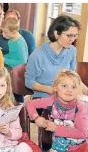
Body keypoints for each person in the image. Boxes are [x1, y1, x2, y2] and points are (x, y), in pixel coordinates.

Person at [25, 15, 88, 151]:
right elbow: (29, 82)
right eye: (69, 35)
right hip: (46, 96)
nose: (73, 39)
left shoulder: (72, 51)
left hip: (68, 93)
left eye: (75, 36)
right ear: (56, 33)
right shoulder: (37, 55)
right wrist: (50, 90)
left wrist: (86, 91)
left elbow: (73, 77)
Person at [26, 69, 88, 152]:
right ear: (55, 87)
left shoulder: (80, 107)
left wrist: (56, 128)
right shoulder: (51, 101)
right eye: (64, 86)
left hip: (81, 147)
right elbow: (30, 103)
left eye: (74, 87)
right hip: (59, 147)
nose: (69, 90)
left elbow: (82, 134)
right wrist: (36, 117)